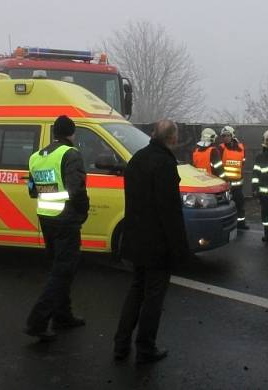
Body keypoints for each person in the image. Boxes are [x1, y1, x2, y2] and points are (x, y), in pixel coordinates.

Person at [114, 120, 190, 364]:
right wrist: (180, 249)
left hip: (135, 238)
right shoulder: (165, 164)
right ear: (173, 139)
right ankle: (145, 347)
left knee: (136, 290)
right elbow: (170, 212)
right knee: (153, 297)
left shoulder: (137, 159)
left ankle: (121, 344)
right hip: (157, 244)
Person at [24, 115, 90, 342]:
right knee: (62, 272)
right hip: (66, 219)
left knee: (60, 269)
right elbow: (77, 189)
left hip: (46, 217)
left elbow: (32, 190)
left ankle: (63, 315)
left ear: (54, 133)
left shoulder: (36, 157)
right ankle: (37, 322)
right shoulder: (70, 154)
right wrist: (82, 213)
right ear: (72, 134)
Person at [219, 126, 248, 230]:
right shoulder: (221, 148)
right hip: (225, 184)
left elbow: (242, 162)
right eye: (224, 136)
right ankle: (225, 225)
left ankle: (241, 224)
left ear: (232, 136)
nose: (226, 138)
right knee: (224, 206)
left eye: (228, 135)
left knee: (240, 204)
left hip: (238, 184)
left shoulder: (241, 148)